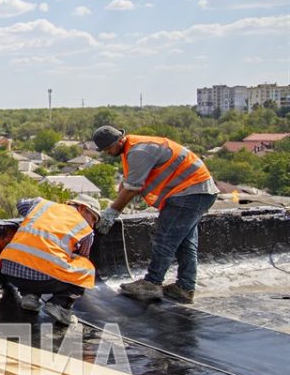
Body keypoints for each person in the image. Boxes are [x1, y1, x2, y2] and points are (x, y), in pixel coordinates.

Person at [92, 125, 218, 304]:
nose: (107, 152)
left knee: (164, 238)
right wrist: (114, 203)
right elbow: (127, 184)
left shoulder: (139, 151)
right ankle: (185, 288)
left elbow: (131, 190)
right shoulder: (132, 149)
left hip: (189, 193)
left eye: (108, 148)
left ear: (119, 141)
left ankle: (152, 283)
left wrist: (111, 213)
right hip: (197, 192)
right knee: (185, 243)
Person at [0, 194, 102, 326]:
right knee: (85, 268)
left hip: (10, 270)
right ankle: (59, 305)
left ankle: (29, 296)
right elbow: (83, 257)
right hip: (43, 278)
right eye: (93, 218)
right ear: (82, 208)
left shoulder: (41, 205)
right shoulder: (85, 230)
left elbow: (21, 203)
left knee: (36, 259)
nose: (92, 225)